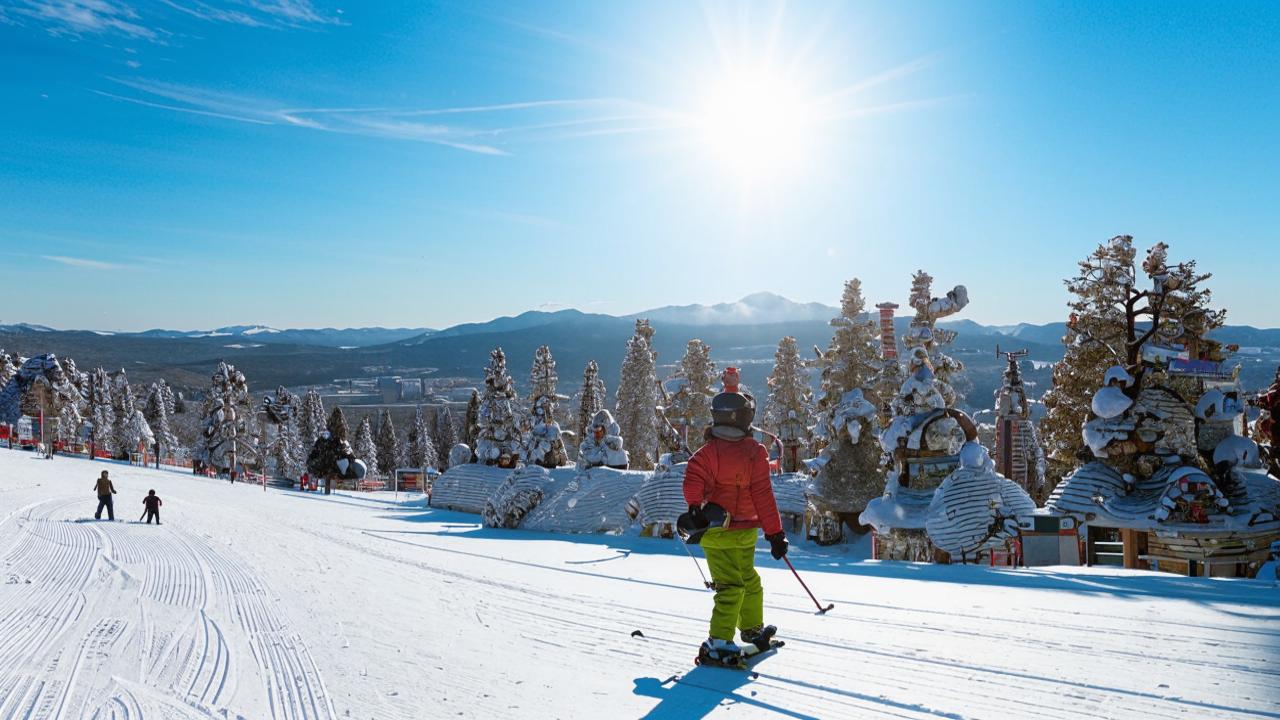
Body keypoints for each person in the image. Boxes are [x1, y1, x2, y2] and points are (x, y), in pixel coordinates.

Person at [682, 391, 787, 666]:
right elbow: (764, 494)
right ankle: (718, 641)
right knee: (734, 586)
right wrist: (775, 533)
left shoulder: (709, 452)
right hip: (729, 532)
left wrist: (695, 506)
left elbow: (693, 476)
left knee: (746, 583)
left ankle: (751, 629)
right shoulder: (754, 452)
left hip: (729, 532)